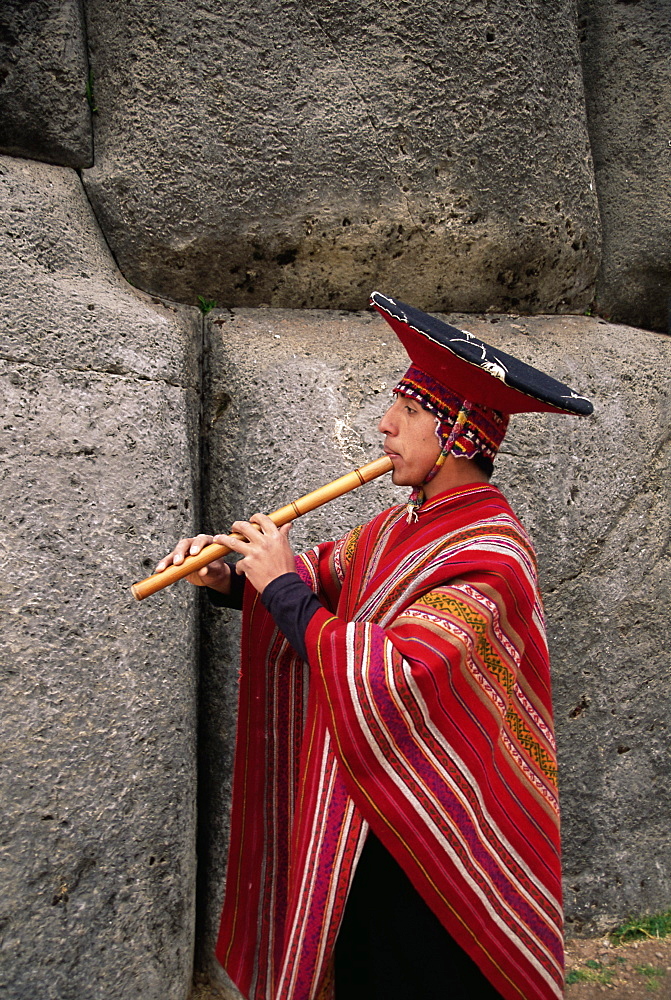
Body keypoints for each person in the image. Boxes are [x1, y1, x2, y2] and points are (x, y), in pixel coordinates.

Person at [156, 292, 593, 1000]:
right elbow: (321, 578)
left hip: (440, 832)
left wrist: (283, 589)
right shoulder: (396, 527)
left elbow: (400, 672)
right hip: (370, 812)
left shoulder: (492, 550)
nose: (385, 425)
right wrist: (229, 572)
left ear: (453, 433)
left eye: (409, 411)